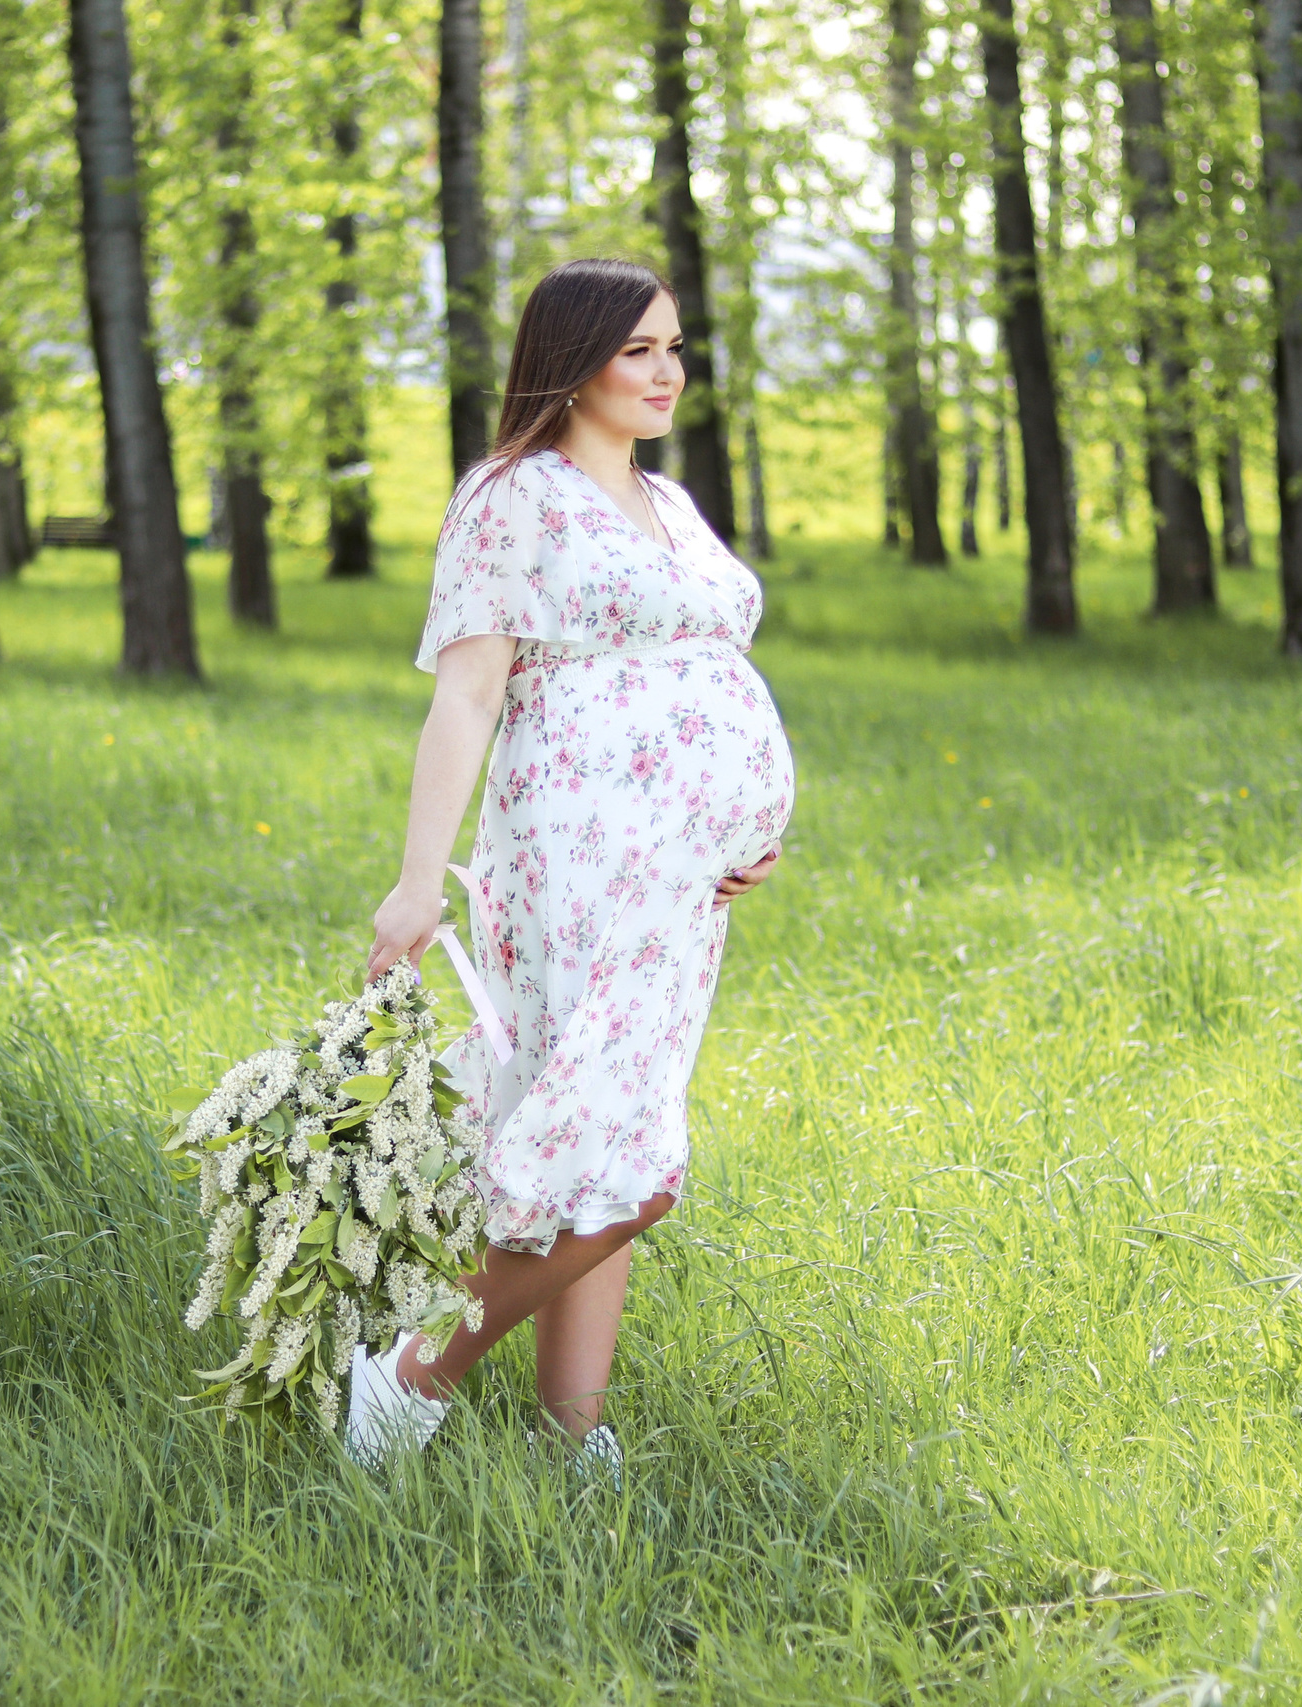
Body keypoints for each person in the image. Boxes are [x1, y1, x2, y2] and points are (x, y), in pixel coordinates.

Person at [351, 258, 794, 1475]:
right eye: (637, 350)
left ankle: (571, 1436)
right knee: (624, 1154)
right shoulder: (512, 498)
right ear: (572, 359)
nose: (666, 372)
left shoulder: (674, 503)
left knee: (608, 1136)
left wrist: (739, 827)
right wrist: (416, 878)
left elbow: (703, 674)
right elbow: (468, 698)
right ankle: (410, 1373)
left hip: (679, 881)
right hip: (574, 858)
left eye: (675, 348)